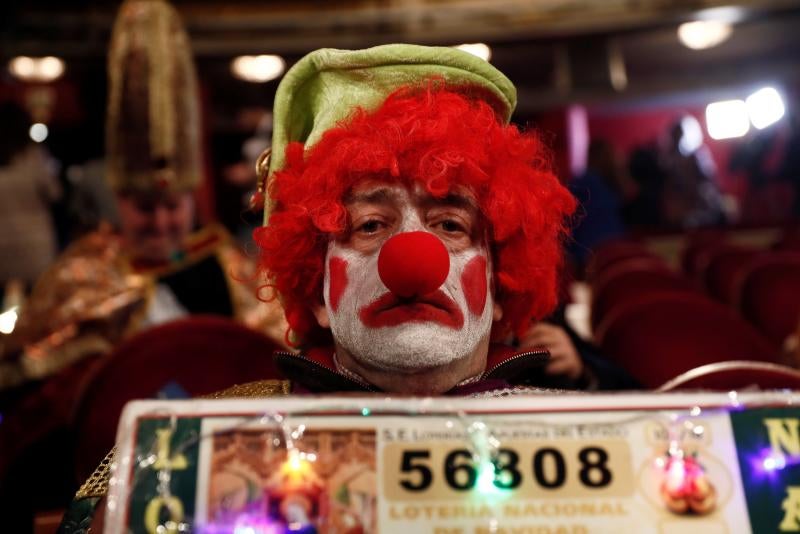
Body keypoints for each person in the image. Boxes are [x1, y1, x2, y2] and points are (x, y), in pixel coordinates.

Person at [61, 43, 582, 531]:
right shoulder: (202, 445)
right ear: (316, 292)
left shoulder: (581, 444)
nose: (413, 259)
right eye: (370, 226)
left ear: (498, 281)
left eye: (451, 225)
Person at [0, 102, 62, 293]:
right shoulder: (34, 157)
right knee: (39, 305)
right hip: (36, 243)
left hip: (3, 242)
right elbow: (55, 193)